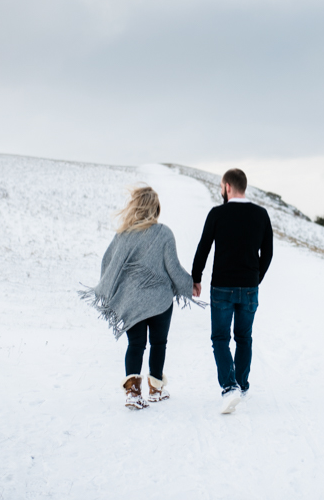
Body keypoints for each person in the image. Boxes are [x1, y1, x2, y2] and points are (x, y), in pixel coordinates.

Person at [80, 186, 202, 410]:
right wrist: (189, 284)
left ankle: (133, 393)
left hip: (132, 301)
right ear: (155, 208)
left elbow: (108, 263)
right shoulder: (164, 233)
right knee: (159, 343)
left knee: (136, 344)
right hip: (160, 302)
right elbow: (173, 268)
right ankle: (155, 389)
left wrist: (112, 288)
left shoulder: (123, 235)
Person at [192, 168, 273, 414]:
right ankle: (242, 385)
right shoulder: (261, 214)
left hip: (222, 287)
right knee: (243, 338)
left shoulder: (217, 214)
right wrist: (255, 278)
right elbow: (267, 253)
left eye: (221, 186)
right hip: (249, 287)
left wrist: (196, 278)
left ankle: (229, 387)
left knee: (220, 338)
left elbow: (203, 248)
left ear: (227, 186)